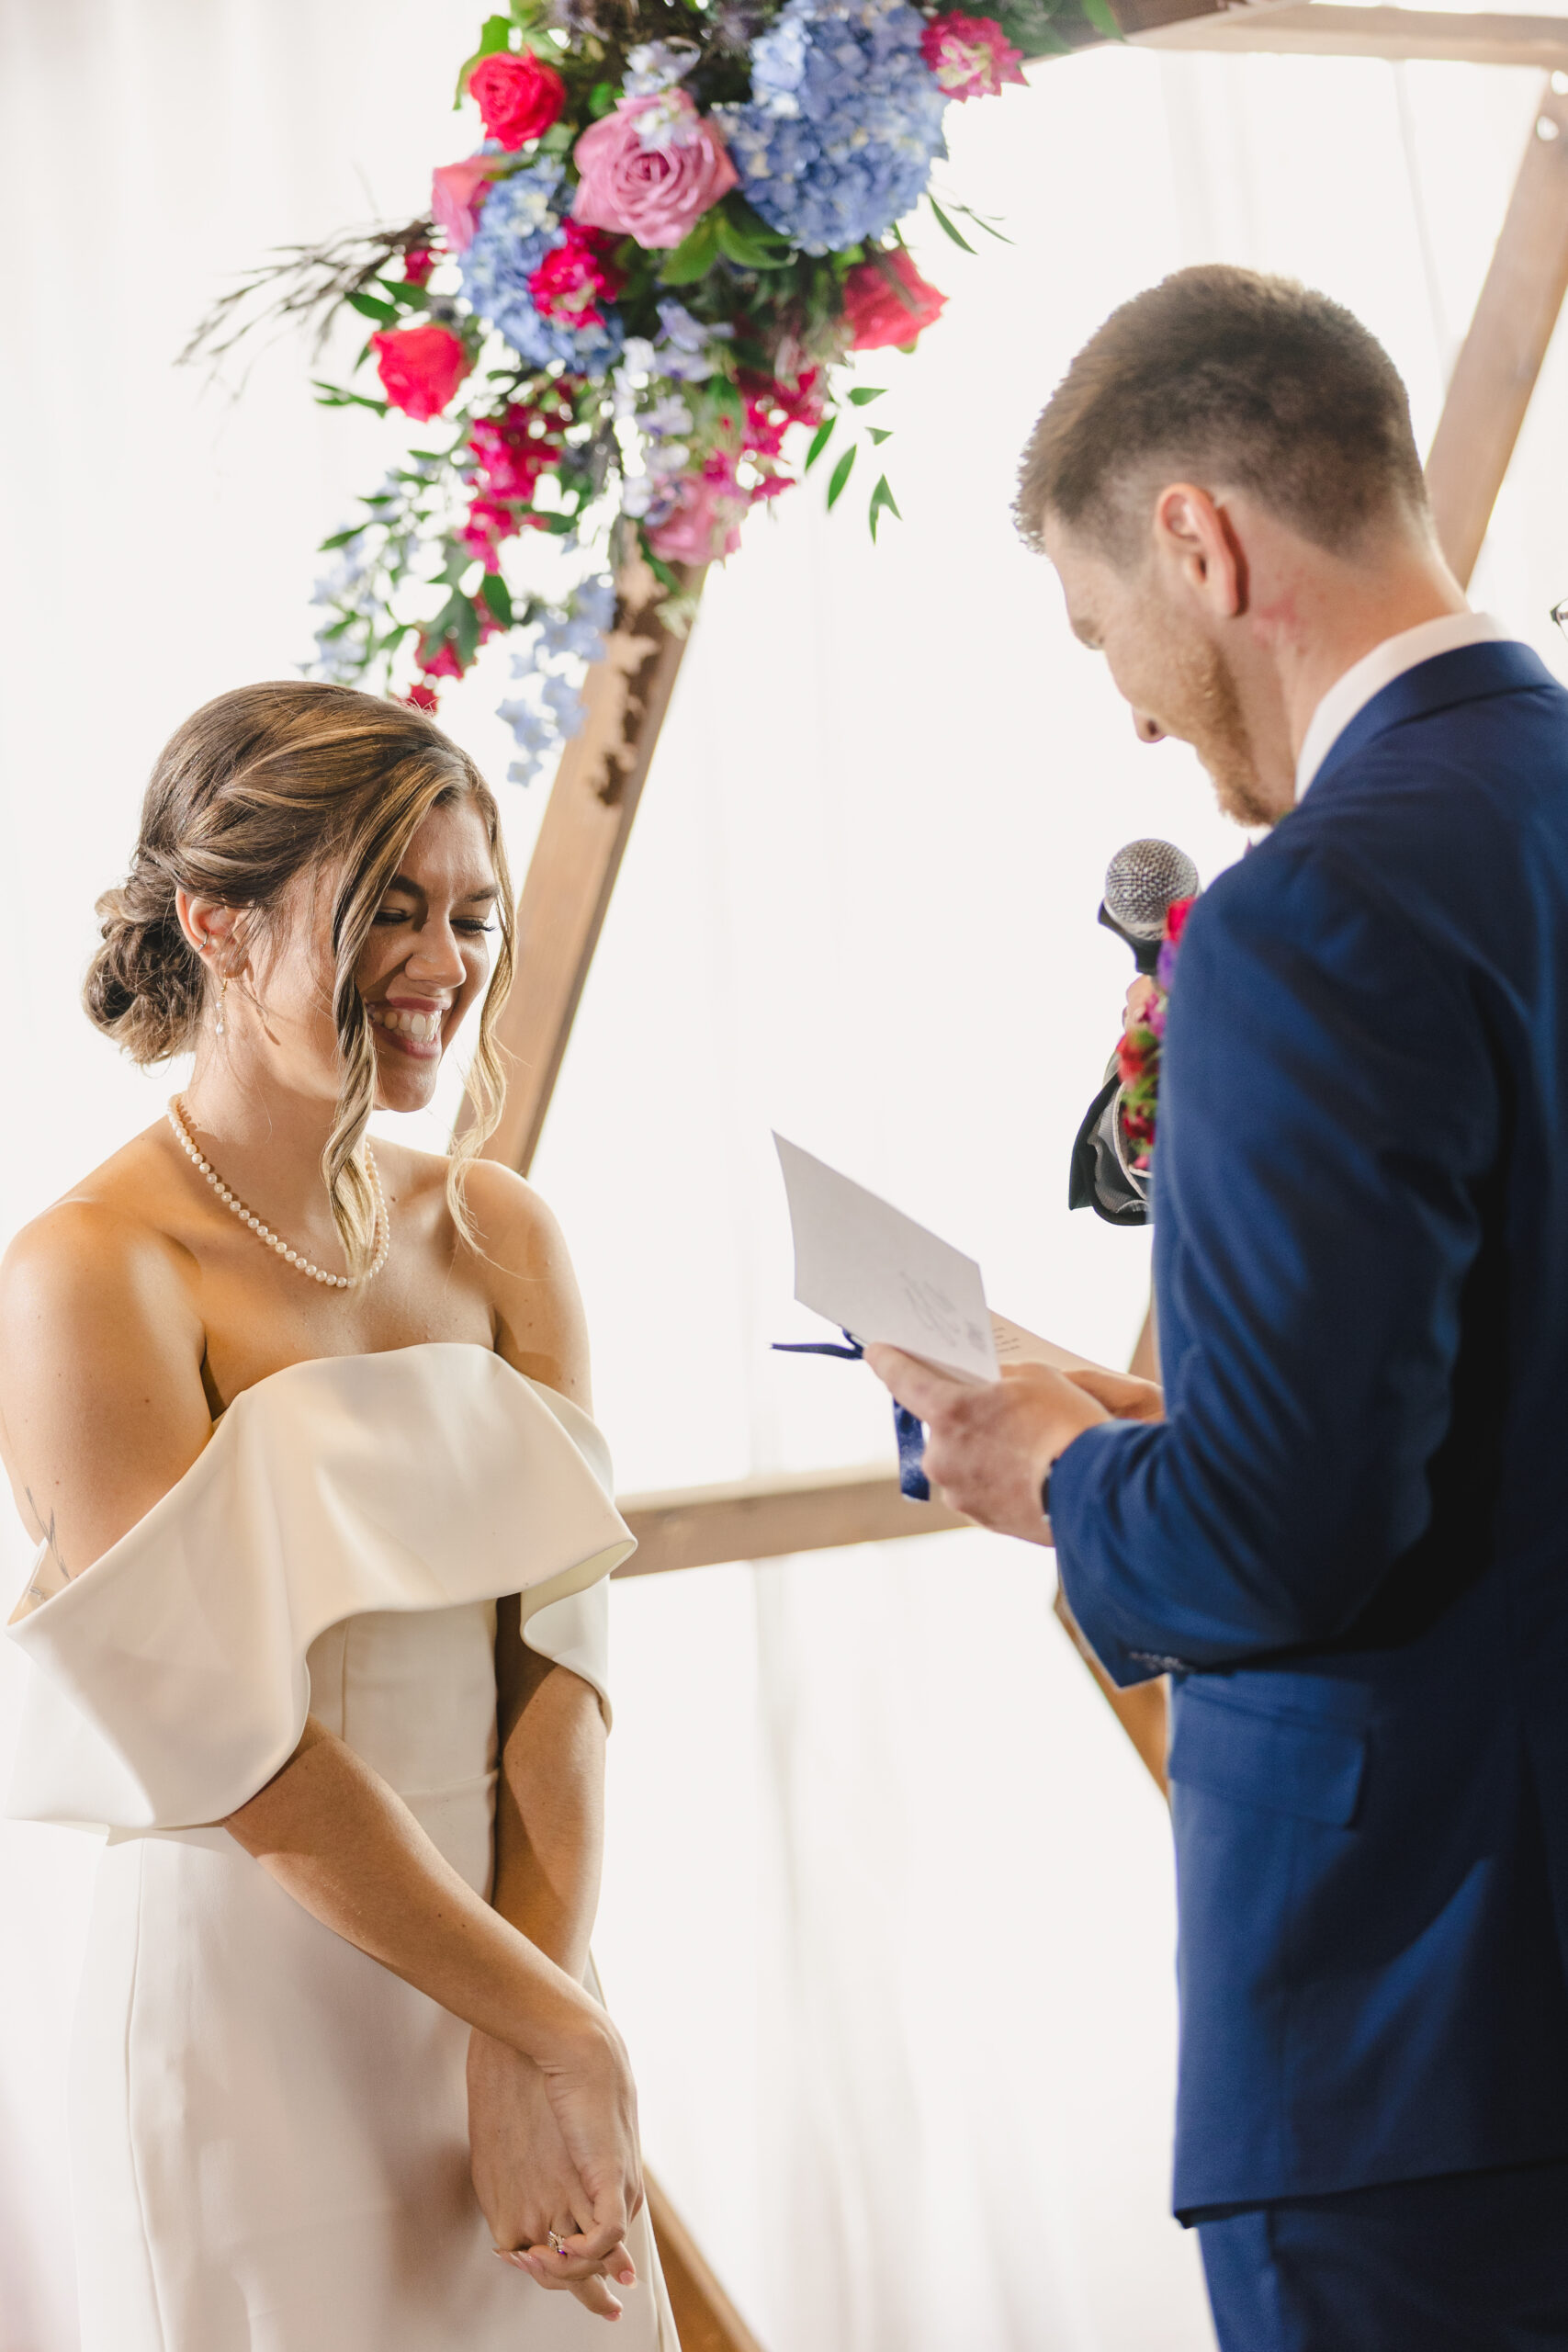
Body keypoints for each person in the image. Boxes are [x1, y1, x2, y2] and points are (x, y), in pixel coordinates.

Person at [865, 266, 1568, 2349]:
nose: (1131, 704)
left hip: (1426, 2039)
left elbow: (1283, 1530)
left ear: (1198, 535)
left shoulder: (1310, 914)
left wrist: (1055, 1467)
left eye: (1108, 631)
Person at [0, 683, 678, 2351]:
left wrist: (541, 2015)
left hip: (518, 1971)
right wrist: (552, 2026)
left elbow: (563, 1660)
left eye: (467, 914)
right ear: (217, 926)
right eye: (387, 905)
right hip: (255, 2022)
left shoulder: (501, 1231)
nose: (443, 961)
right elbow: (235, 1741)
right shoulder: (92, 1272)